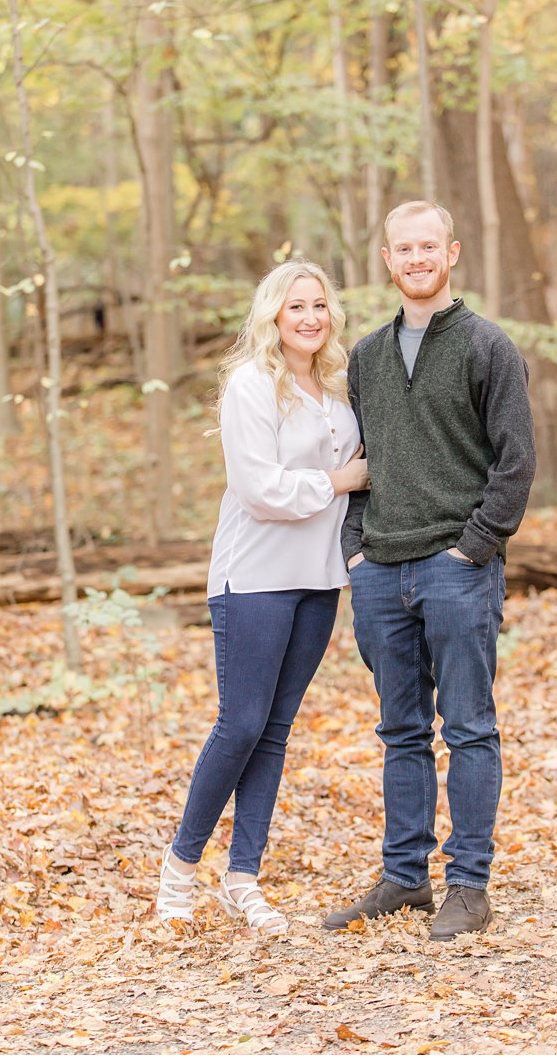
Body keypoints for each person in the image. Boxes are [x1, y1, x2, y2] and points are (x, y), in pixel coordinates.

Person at [324, 200, 535, 941]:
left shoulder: (487, 347)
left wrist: (475, 546)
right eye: (402, 248)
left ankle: (469, 885)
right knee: (401, 730)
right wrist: (355, 547)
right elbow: (362, 461)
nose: (415, 259)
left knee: (470, 727)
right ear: (387, 260)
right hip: (381, 570)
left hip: (457, 566)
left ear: (451, 253)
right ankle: (404, 877)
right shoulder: (366, 358)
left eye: (427, 247)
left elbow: (515, 462)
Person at [157, 259, 368, 934]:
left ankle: (242, 878)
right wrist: (339, 481)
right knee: (241, 724)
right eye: (295, 306)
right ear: (273, 315)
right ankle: (178, 869)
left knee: (275, 732)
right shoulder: (250, 386)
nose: (310, 317)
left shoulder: (337, 389)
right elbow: (261, 489)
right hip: (253, 577)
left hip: (317, 579)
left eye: (319, 306)